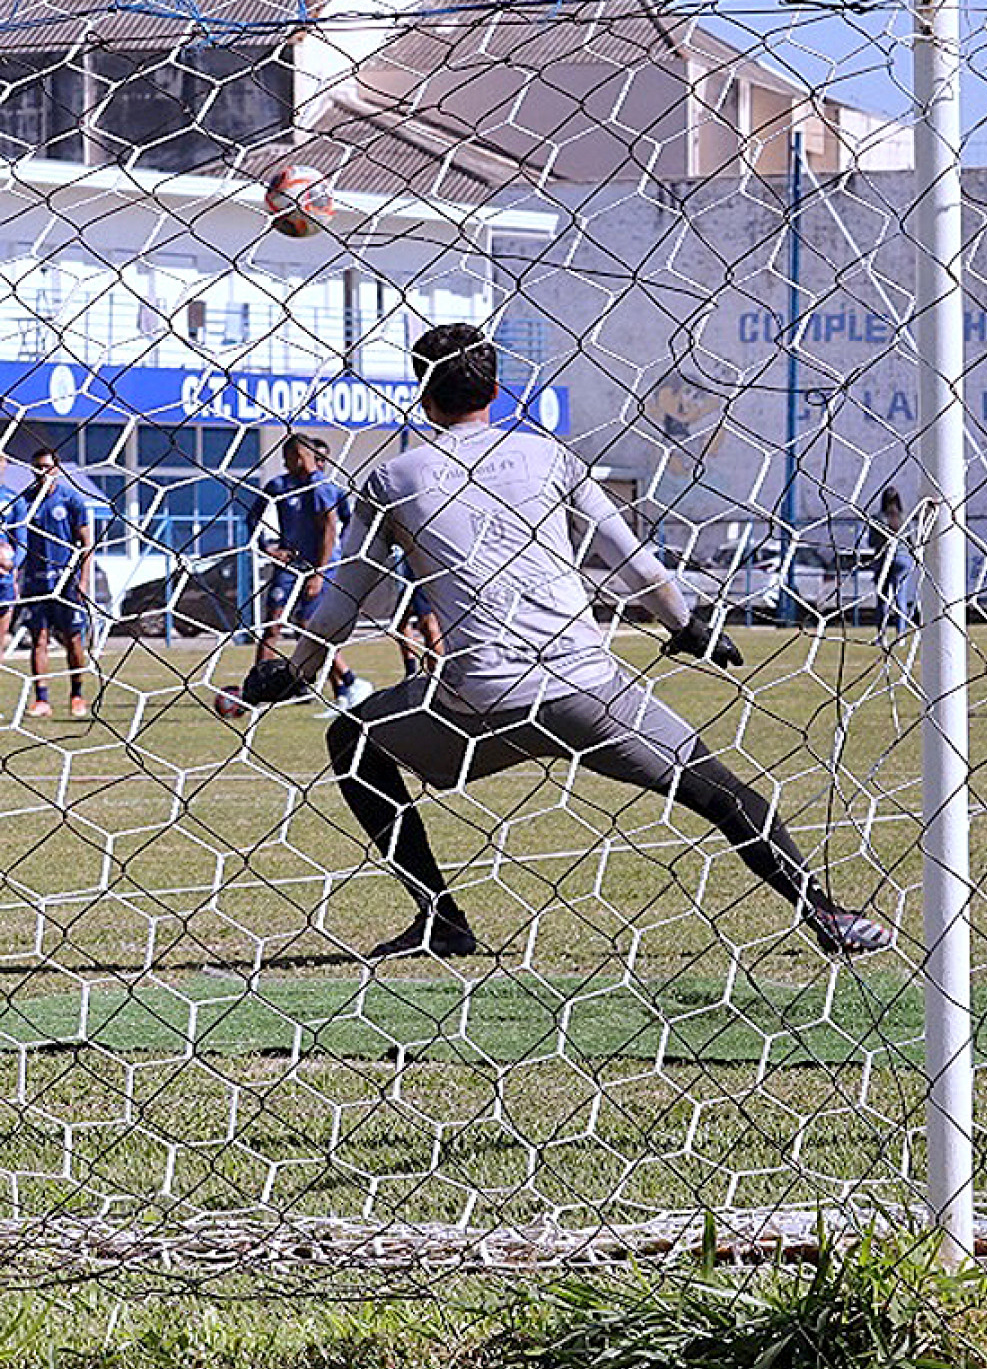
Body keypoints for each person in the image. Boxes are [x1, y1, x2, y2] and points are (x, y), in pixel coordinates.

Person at [234, 324, 891, 961]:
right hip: (587, 691)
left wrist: (294, 672)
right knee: (722, 794)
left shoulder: (394, 479)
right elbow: (639, 567)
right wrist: (686, 628)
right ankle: (825, 912)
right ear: (495, 392)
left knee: (351, 738)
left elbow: (343, 602)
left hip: (477, 706)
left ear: (423, 399)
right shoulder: (549, 454)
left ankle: (442, 920)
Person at [254, 432, 361, 708]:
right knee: (273, 625)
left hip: (319, 567)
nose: (284, 463)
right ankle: (258, 686)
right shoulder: (279, 485)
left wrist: (320, 573)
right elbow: (252, 517)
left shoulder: (323, 487)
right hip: (291, 565)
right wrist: (269, 548)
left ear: (299, 457)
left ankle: (346, 684)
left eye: (287, 458)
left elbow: (332, 530)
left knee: (311, 628)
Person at [12, 445, 95, 722]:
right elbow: (17, 543)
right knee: (39, 639)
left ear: (57, 469)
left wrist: (83, 580)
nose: (41, 472)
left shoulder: (71, 500)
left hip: (66, 584)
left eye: (46, 467)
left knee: (73, 640)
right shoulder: (25, 501)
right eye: (37, 467)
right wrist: (15, 578)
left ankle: (77, 693)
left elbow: (86, 544)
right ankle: (42, 699)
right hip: (35, 584)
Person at [872, 485, 918, 637]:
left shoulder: (878, 518)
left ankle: (881, 635)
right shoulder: (904, 518)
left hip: (885, 559)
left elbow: (872, 542)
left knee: (883, 598)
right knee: (901, 598)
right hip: (903, 559)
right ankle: (901, 634)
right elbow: (912, 540)